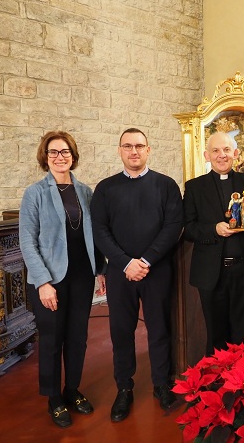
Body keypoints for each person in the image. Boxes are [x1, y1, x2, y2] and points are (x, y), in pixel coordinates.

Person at [90, 128, 183, 420]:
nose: (134, 151)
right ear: (120, 150)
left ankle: (161, 384)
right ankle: (124, 388)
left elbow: (173, 226)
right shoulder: (105, 188)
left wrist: (145, 260)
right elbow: (99, 231)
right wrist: (125, 263)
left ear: (148, 150)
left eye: (139, 146)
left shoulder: (166, 185)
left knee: (159, 328)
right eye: (128, 146)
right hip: (121, 273)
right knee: (121, 331)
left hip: (157, 269)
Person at [19, 130, 106, 428]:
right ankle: (54, 398)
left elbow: (94, 234)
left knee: (78, 337)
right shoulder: (35, 193)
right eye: (54, 152)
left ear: (73, 155)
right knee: (52, 339)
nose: (60, 157)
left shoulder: (85, 191)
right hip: (51, 279)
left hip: (82, 275)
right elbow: (27, 241)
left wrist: (100, 269)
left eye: (65, 151)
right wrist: (42, 282)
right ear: (45, 157)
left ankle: (72, 390)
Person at [183, 132, 244, 355]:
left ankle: (243, 373)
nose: (222, 155)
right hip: (211, 271)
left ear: (236, 153)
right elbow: (188, 228)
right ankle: (218, 375)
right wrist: (214, 229)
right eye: (216, 151)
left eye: (227, 150)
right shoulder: (194, 187)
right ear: (206, 155)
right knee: (216, 332)